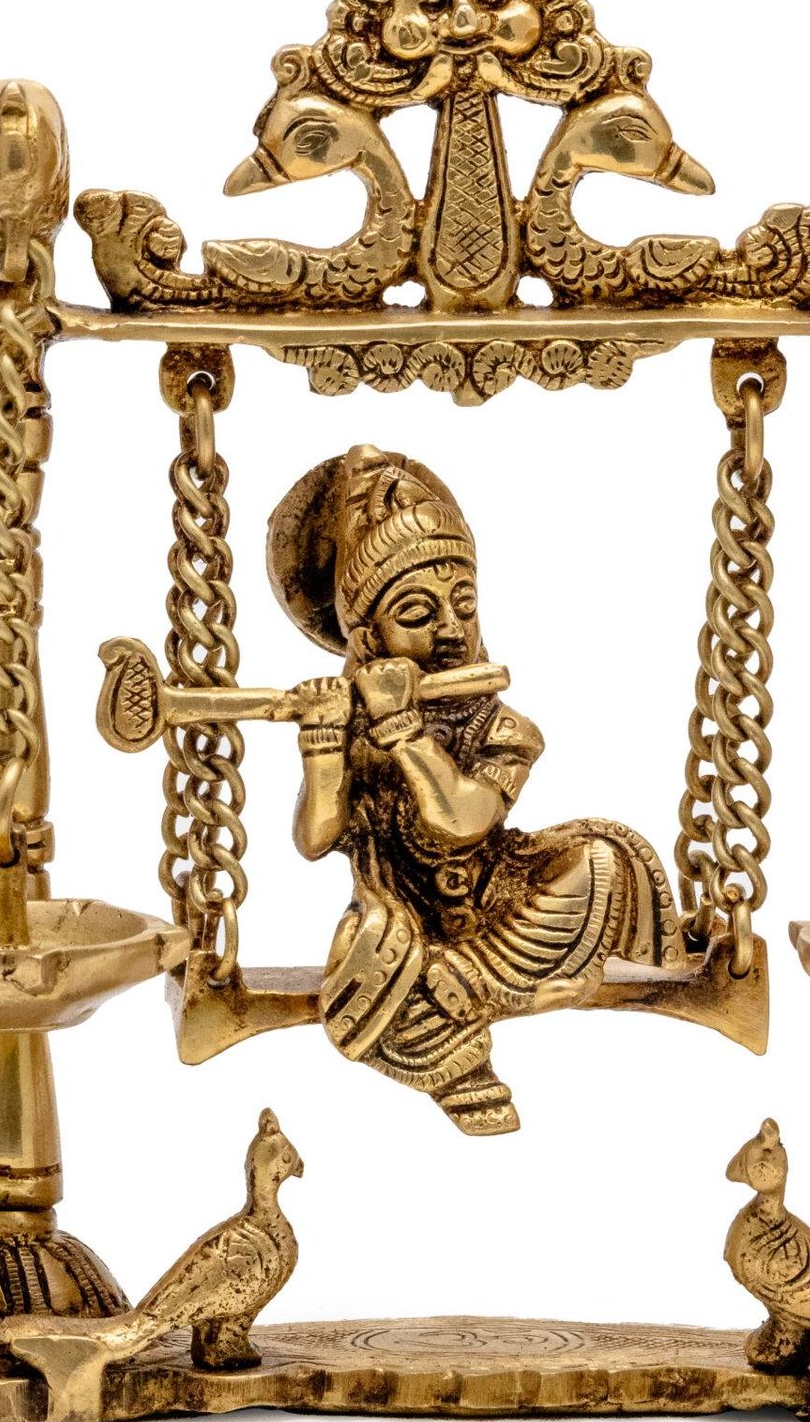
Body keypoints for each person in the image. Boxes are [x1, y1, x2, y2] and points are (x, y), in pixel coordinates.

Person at [267, 444, 679, 1134]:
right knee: (363, 965)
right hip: (396, 916)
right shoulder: (353, 729)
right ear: (368, 638)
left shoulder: (504, 729)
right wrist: (324, 742)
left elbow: (462, 821)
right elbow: (315, 839)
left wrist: (403, 729)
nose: (452, 630)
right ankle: (472, 1031)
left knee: (604, 862)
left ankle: (464, 986)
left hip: (500, 903)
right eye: (418, 614)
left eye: (464, 605)